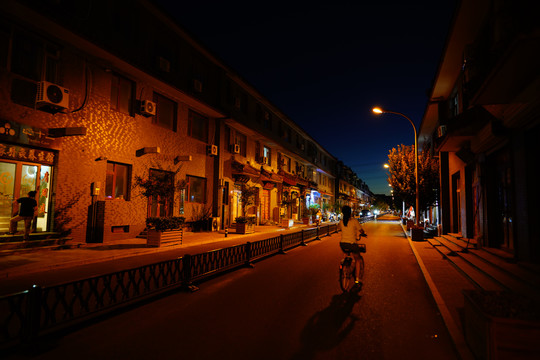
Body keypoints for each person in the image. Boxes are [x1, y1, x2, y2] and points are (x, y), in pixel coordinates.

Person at [338, 205, 366, 284]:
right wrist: (363, 233)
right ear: (350, 212)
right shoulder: (354, 221)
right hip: (352, 244)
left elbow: (340, 229)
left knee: (346, 253)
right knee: (357, 259)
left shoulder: (341, 222)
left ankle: (344, 266)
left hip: (343, 244)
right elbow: (361, 230)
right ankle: (357, 278)